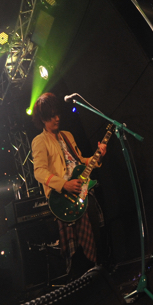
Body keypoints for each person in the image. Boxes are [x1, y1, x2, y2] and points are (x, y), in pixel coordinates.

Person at [31, 93, 106, 278]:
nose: (57, 118)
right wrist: (64, 184)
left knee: (96, 235)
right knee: (77, 250)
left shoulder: (67, 135)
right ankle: (82, 281)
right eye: (52, 116)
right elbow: (39, 171)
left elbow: (79, 161)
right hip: (64, 197)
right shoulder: (40, 141)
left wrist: (97, 156)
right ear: (42, 119)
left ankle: (99, 275)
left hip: (83, 191)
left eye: (57, 114)